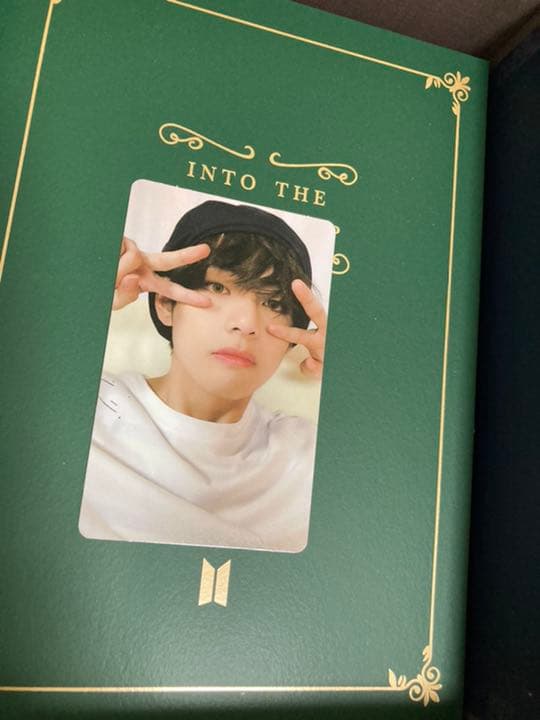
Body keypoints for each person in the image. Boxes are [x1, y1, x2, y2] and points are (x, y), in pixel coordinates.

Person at [79, 200, 327, 552]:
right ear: (165, 304)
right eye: (218, 288)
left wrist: (357, 377)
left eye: (273, 303)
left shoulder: (308, 454)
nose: (246, 323)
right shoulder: (84, 404)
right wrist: (79, 297)